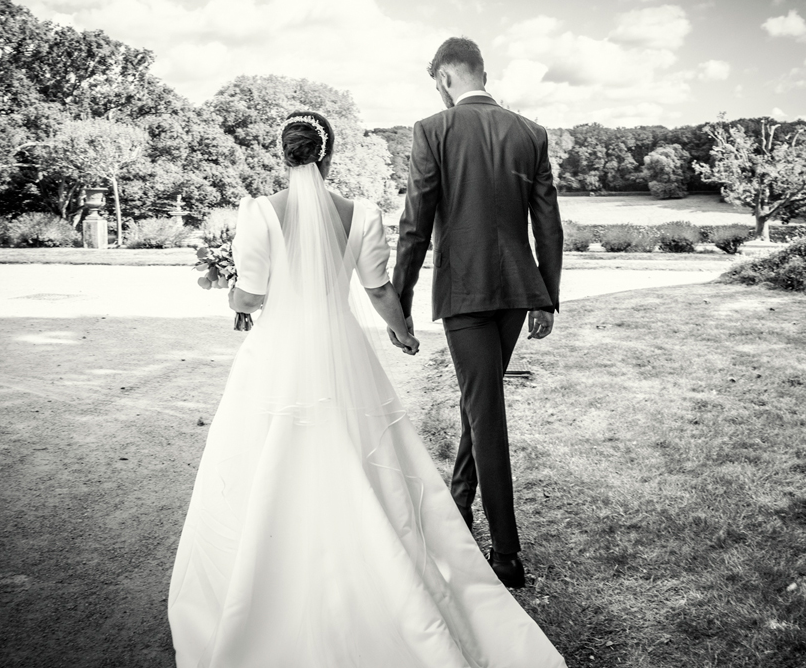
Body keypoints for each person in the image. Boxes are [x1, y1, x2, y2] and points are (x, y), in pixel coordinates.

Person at [167, 111, 566, 668]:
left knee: (264, 455)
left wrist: (228, 291)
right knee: (360, 447)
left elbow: (250, 298)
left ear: (285, 155)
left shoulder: (258, 213)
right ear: (328, 156)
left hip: (277, 356)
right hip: (342, 352)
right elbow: (378, 289)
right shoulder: (359, 214)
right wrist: (402, 331)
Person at [393, 37, 564, 590]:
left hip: (464, 293)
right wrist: (545, 294)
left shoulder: (432, 130)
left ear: (444, 78)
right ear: (481, 73)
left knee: (485, 413)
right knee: (480, 397)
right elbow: (549, 225)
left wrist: (400, 302)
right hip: (517, 291)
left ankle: (508, 554)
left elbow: (415, 223)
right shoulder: (530, 133)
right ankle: (459, 502)